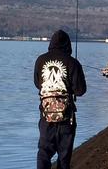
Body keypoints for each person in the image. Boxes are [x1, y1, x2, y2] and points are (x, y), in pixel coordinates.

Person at [34, 30, 87, 169]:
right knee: (64, 156)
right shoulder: (73, 63)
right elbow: (80, 90)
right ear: (68, 45)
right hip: (66, 118)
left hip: (46, 117)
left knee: (44, 153)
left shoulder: (40, 60)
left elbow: (37, 83)